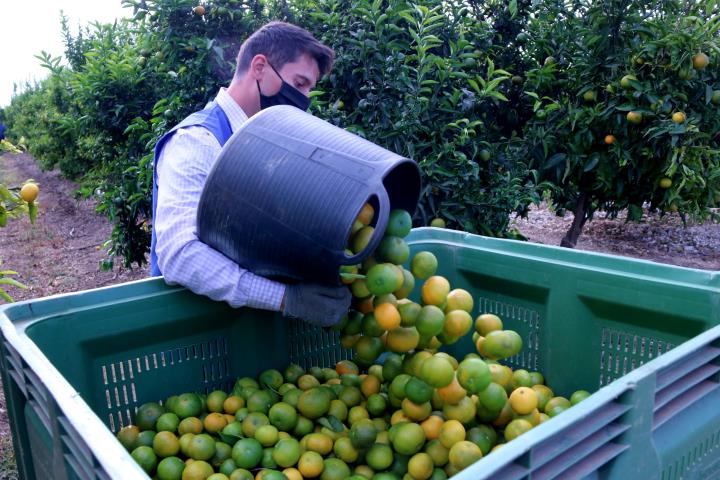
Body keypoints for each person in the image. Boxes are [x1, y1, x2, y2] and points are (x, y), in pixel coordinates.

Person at [151, 21, 350, 327]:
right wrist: (284, 298)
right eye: (299, 84)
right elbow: (180, 255)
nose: (304, 101)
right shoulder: (198, 141)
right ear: (259, 67)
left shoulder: (270, 145)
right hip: (193, 331)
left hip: (247, 331)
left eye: (309, 90)